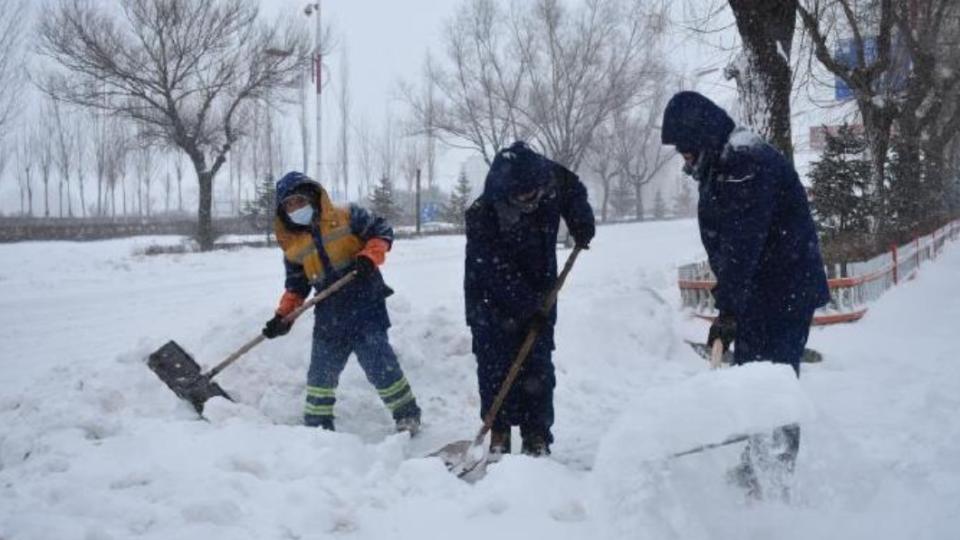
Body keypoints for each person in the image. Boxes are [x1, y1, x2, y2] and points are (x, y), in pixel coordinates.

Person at [661, 91, 830, 499]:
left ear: (703, 139)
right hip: (762, 290)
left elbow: (741, 245)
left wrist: (727, 311)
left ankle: (775, 478)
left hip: (784, 290)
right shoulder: (724, 160)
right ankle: (759, 462)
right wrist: (734, 307)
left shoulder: (744, 163)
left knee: (774, 382)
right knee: (755, 375)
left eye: (687, 152)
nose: (685, 162)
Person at [262, 171, 422, 434]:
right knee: (320, 376)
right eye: (288, 205)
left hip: (365, 302)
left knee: (380, 365)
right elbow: (296, 286)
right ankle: (317, 427)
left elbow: (381, 231)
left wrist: (370, 257)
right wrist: (283, 316)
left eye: (299, 201)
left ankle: (407, 415)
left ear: (313, 197)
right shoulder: (293, 246)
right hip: (329, 312)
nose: (295, 209)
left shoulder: (347, 215)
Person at [464, 141, 595, 457]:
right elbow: (493, 273)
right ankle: (499, 433)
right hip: (490, 301)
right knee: (496, 364)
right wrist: (527, 308)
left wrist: (580, 219)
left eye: (538, 194)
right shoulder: (483, 214)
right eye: (526, 198)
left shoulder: (545, 181)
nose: (535, 202)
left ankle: (537, 435)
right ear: (508, 191)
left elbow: (572, 187)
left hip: (540, 290)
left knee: (537, 366)